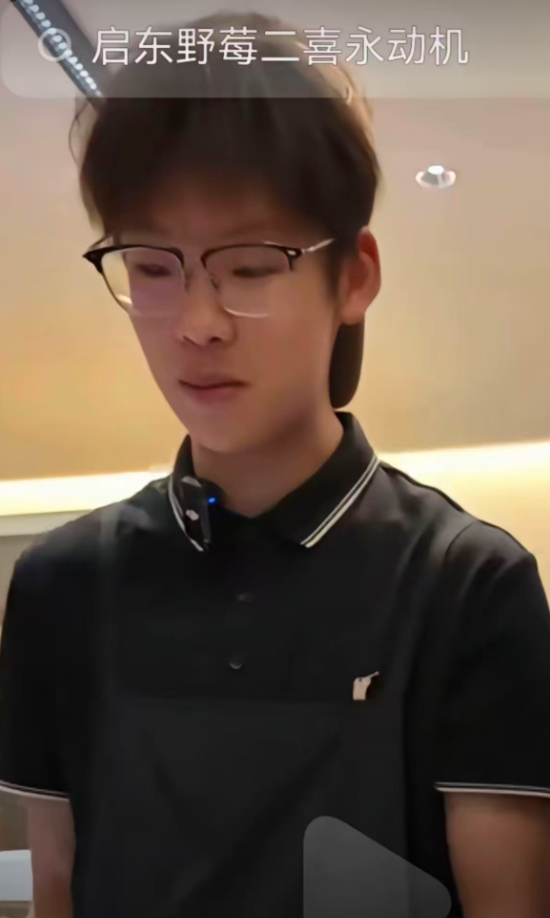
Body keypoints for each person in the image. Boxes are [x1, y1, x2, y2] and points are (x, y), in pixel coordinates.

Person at [1, 11, 549, 918]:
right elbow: (57, 886)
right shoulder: (62, 586)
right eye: (153, 267)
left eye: (251, 267)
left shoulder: (466, 586)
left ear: (355, 276)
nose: (197, 324)